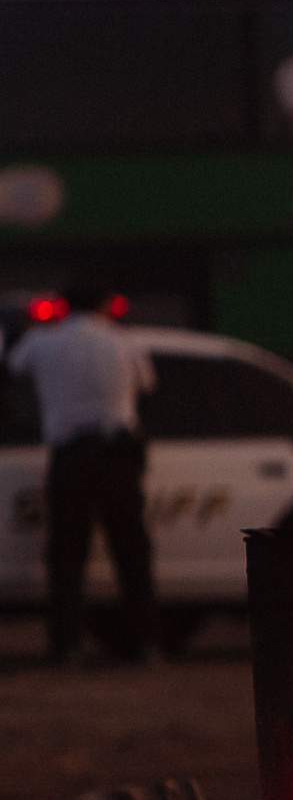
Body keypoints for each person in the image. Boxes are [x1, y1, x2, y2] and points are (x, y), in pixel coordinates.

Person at [8, 280, 157, 664]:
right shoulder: (124, 341)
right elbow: (148, 383)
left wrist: (35, 324)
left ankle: (66, 646)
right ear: (106, 305)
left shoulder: (42, 342)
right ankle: (142, 643)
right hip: (118, 453)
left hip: (71, 456)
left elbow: (14, 365)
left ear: (63, 306)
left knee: (67, 553)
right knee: (131, 551)